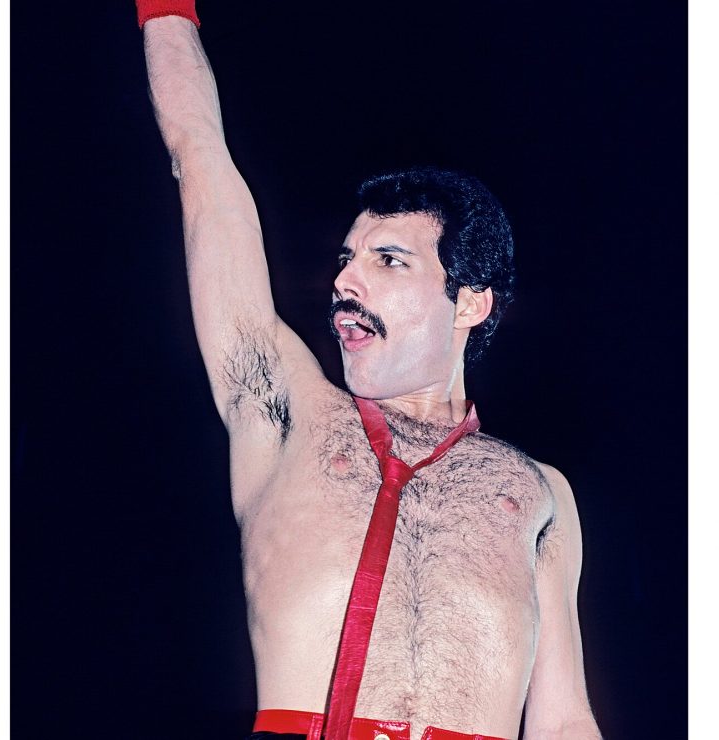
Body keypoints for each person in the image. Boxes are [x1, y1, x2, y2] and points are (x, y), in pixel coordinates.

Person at [136, 3, 602, 738]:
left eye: (388, 260)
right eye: (346, 258)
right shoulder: (286, 413)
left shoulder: (539, 493)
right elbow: (200, 160)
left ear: (470, 301)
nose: (345, 281)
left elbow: (565, 720)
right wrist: (167, 14)